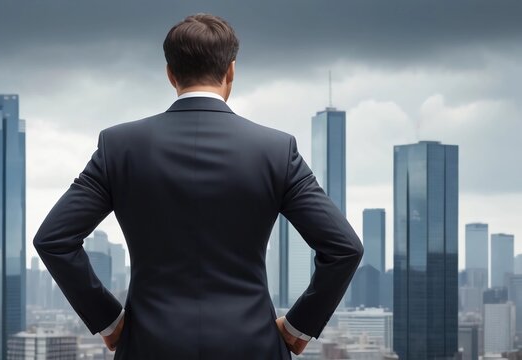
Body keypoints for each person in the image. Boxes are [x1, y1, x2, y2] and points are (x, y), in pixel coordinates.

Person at [33, 13, 363, 360]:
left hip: (149, 346)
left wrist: (109, 320)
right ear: (231, 71)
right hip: (252, 346)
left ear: (170, 73)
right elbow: (344, 249)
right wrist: (298, 327)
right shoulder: (276, 150)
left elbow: (53, 240)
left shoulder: (119, 146)